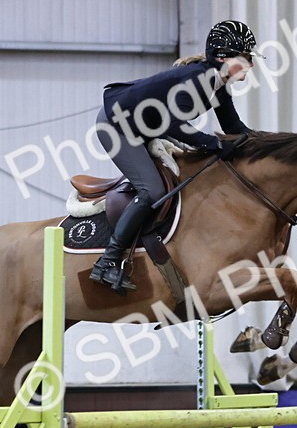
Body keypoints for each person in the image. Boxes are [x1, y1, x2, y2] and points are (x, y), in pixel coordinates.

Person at [89, 19, 258, 294]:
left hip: (144, 125)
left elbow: (234, 129)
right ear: (223, 57)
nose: (250, 64)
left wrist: (270, 145)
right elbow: (173, 125)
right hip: (117, 125)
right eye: (246, 58)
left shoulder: (217, 85)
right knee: (153, 190)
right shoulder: (198, 81)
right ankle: (106, 262)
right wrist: (213, 144)